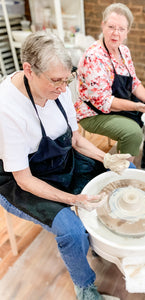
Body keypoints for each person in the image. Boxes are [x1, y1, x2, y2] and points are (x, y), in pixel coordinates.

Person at [0, 31, 132, 300]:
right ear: (29, 70)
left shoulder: (58, 87)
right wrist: (74, 199)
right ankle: (85, 288)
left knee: (112, 179)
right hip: (22, 181)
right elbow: (24, 180)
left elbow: (75, 140)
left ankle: (98, 240)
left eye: (67, 79)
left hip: (60, 163)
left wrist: (106, 159)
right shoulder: (7, 108)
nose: (63, 89)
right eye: (56, 81)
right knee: (71, 231)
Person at [75, 3, 145, 162]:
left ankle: (132, 155)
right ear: (103, 25)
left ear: (127, 32)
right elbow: (105, 102)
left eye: (121, 29)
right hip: (93, 113)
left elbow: (134, 83)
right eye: (111, 27)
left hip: (115, 103)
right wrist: (136, 106)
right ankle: (124, 172)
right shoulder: (94, 57)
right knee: (133, 132)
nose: (115, 33)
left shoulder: (124, 51)